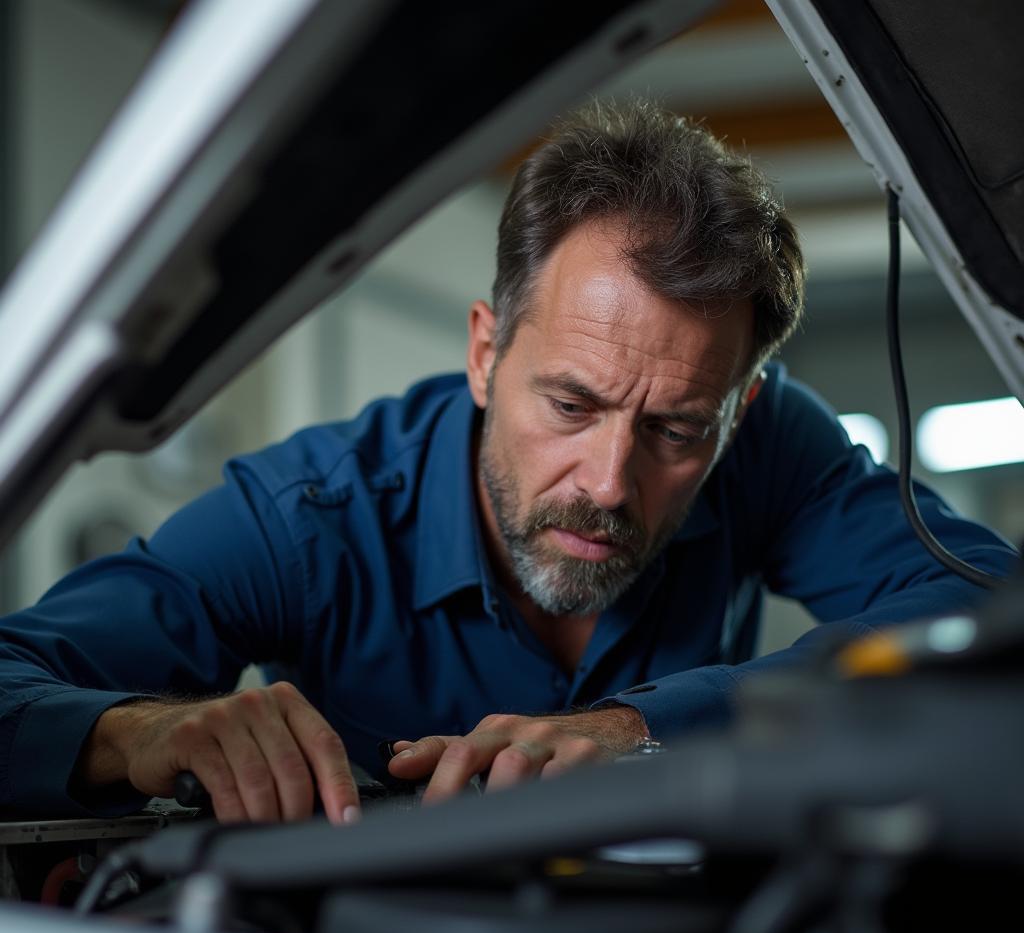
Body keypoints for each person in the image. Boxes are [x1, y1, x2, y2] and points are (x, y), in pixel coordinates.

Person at [0, 101, 1014, 825]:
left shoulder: (765, 438)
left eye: (674, 430)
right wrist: (137, 733)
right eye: (570, 404)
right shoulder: (304, 519)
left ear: (739, 408)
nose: (609, 480)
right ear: (485, 352)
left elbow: (993, 611)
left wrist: (644, 727)